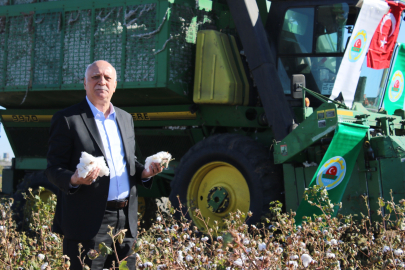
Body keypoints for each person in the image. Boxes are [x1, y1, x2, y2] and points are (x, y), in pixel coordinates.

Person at [45, 60, 163, 269]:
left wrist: (144, 173)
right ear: (85, 83)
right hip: (88, 223)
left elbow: (127, 162)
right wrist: (73, 179)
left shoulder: (126, 119)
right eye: (95, 77)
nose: (102, 82)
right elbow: (54, 168)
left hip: (125, 220)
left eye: (108, 78)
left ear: (115, 85)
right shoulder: (67, 119)